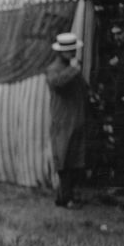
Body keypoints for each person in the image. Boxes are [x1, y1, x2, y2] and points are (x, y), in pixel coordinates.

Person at [46, 32, 90, 208]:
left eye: (73, 50)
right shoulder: (54, 69)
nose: (72, 53)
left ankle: (67, 197)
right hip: (63, 121)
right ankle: (65, 198)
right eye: (69, 50)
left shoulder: (72, 69)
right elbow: (57, 83)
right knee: (63, 161)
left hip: (75, 119)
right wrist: (73, 70)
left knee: (74, 160)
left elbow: (82, 88)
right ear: (60, 52)